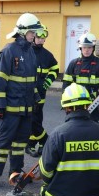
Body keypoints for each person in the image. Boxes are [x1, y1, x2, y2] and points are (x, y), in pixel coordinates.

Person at [0, 13, 41, 190]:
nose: (34, 35)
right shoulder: (8, 51)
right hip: (11, 109)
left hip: (26, 109)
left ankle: (15, 173)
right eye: (32, 32)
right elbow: (0, 82)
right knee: (3, 144)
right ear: (22, 32)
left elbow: (32, 81)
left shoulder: (30, 52)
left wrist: (36, 98)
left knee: (20, 143)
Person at [38, 83, 99, 196]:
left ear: (67, 108)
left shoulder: (58, 135)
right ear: (88, 105)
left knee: (44, 190)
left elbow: (45, 174)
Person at [62, 32, 99, 122]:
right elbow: (66, 84)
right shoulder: (73, 63)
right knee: (75, 126)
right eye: (84, 47)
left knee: (93, 125)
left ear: (93, 48)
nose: (87, 50)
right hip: (76, 103)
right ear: (80, 48)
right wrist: (66, 102)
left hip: (93, 102)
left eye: (89, 47)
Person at [25, 24, 59, 158]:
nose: (41, 39)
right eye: (38, 36)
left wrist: (47, 82)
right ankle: (46, 142)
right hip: (28, 92)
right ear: (34, 37)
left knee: (36, 120)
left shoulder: (47, 55)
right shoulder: (27, 52)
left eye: (43, 36)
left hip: (40, 94)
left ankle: (32, 145)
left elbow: (55, 69)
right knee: (32, 120)